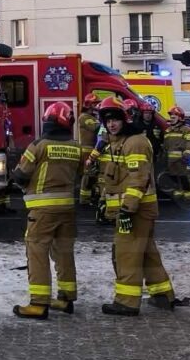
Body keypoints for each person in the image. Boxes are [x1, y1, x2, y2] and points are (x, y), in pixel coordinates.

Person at [96, 97, 180, 315]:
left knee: (127, 254)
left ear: (125, 120)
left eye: (115, 119)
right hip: (134, 209)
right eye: (107, 121)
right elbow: (116, 178)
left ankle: (127, 302)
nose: (111, 124)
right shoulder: (119, 142)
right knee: (145, 253)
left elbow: (138, 179)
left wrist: (126, 209)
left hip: (135, 210)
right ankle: (162, 296)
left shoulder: (135, 142)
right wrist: (105, 201)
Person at [11, 102, 82, 320]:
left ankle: (38, 304)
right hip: (67, 208)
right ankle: (66, 297)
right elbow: (80, 174)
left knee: (37, 252)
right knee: (64, 252)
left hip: (42, 210)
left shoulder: (39, 145)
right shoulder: (76, 147)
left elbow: (21, 175)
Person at [163, 105, 190, 201]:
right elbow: (165, 145)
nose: (172, 119)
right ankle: (178, 191)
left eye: (174, 117)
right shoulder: (168, 130)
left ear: (180, 118)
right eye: (171, 117)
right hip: (171, 161)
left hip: (182, 160)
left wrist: (187, 154)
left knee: (185, 177)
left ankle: (189, 193)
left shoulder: (186, 130)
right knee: (174, 177)